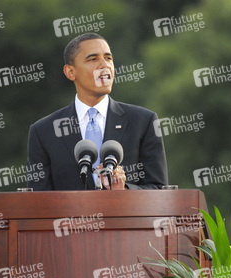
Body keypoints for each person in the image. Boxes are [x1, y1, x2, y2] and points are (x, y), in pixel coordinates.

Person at [27, 33, 168, 190]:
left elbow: (160, 191)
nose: (104, 65)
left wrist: (124, 190)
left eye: (108, 58)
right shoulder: (43, 132)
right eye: (93, 59)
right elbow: (38, 201)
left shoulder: (143, 122)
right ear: (70, 72)